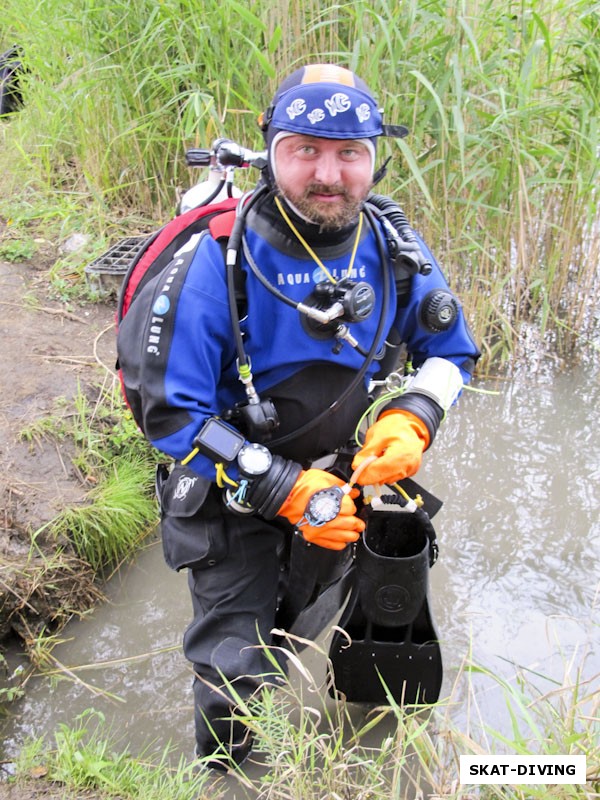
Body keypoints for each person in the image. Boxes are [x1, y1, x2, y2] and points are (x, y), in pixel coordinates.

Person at [117, 63, 480, 767]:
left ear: (376, 156)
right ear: (270, 149)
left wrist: (411, 417)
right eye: (305, 149)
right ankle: (230, 775)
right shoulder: (218, 258)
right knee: (234, 671)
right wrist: (281, 488)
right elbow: (168, 413)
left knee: (339, 621)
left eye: (350, 153)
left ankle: (360, 763)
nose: (329, 173)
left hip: (345, 484)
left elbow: (453, 352)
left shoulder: (394, 249)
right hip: (231, 488)